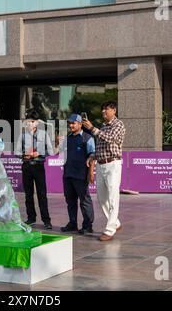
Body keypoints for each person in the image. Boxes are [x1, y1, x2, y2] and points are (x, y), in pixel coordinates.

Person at [83, 101, 126, 241]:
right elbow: (100, 146)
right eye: (102, 110)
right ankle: (116, 222)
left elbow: (110, 139)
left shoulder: (118, 125)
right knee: (102, 198)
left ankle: (109, 229)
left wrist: (92, 128)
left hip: (113, 163)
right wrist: (92, 157)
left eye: (106, 109)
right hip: (101, 164)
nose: (103, 112)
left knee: (113, 197)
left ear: (114, 110)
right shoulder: (103, 126)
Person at [15, 109, 53, 230]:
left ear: (36, 122)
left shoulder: (44, 134)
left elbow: (51, 151)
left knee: (42, 194)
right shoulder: (22, 134)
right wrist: (23, 154)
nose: (29, 124)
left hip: (38, 166)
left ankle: (46, 220)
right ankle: (31, 218)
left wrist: (39, 153)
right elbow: (16, 152)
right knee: (28, 194)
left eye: (32, 122)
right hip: (26, 166)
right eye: (27, 122)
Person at [58, 114, 95, 235]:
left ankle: (87, 225)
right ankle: (72, 223)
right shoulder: (67, 138)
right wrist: (59, 142)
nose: (71, 125)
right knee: (70, 200)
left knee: (84, 200)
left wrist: (90, 173)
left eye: (73, 123)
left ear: (80, 124)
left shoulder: (87, 138)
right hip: (68, 174)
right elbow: (59, 151)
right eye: (70, 123)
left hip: (81, 174)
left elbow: (92, 155)